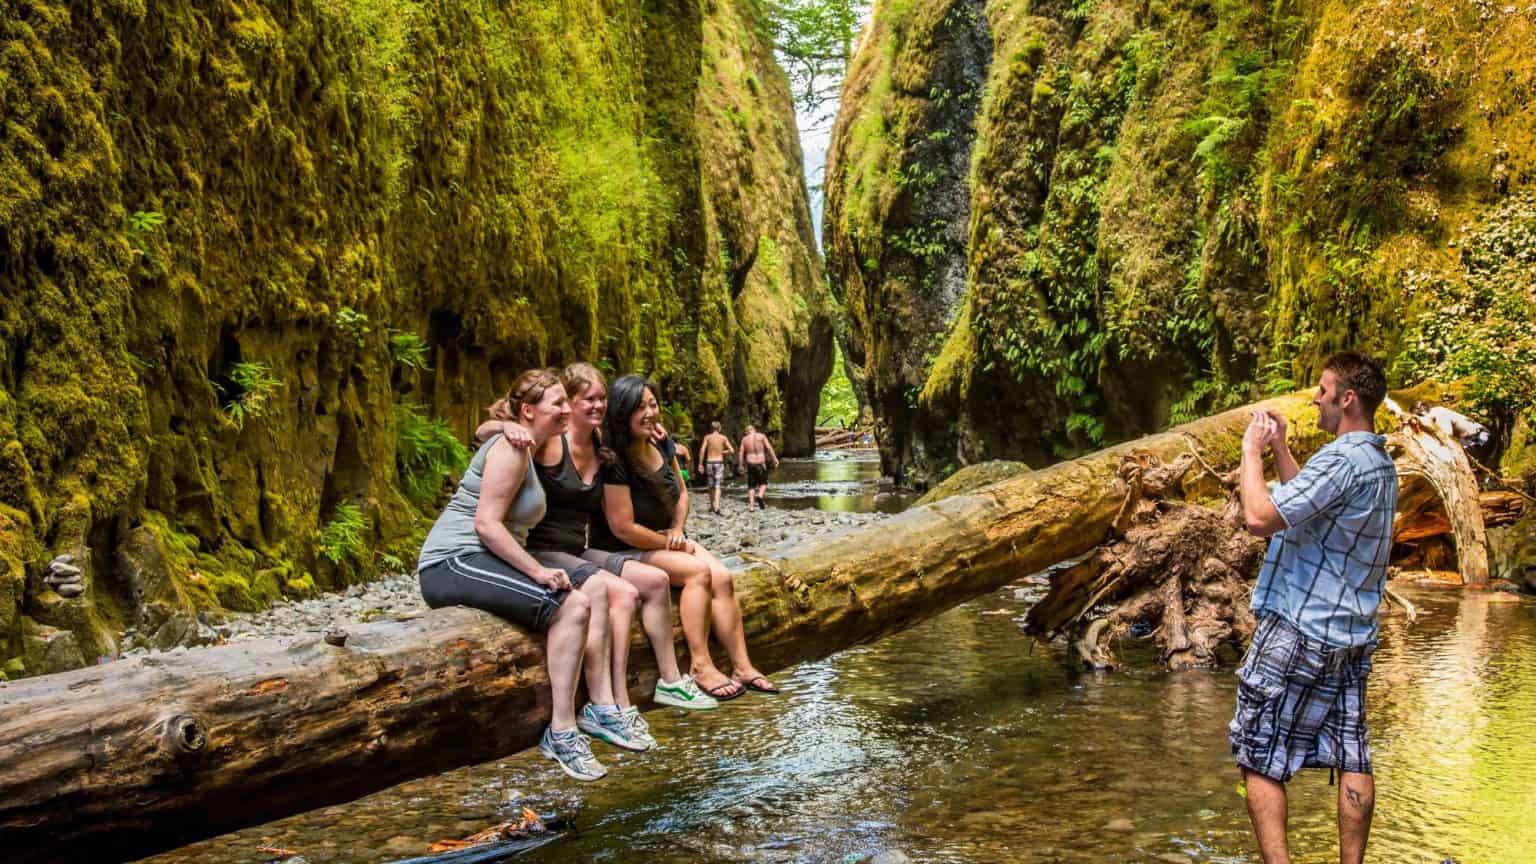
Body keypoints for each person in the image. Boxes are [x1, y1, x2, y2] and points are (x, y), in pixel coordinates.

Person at [478, 367, 722, 737]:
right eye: (588, 399)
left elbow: (638, 455)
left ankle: (671, 681)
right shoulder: (548, 441)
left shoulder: (602, 443)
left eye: (602, 398)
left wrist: (662, 440)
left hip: (579, 549)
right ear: (569, 404)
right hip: (541, 548)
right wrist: (502, 427)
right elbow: (484, 432)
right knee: (620, 592)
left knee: (655, 581)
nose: (598, 405)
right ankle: (616, 703)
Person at [1231, 351, 1399, 864]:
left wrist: (1252, 452)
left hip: (1299, 631)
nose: (1316, 398)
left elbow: (1261, 516)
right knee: (1352, 753)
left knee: (1258, 751)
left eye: (1323, 391)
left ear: (1348, 399)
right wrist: (1282, 446)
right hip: (1350, 636)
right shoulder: (1378, 464)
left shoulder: (1342, 460)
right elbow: (1306, 508)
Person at [416, 369, 611, 782]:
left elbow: (489, 424)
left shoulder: (533, 442)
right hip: (450, 561)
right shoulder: (512, 447)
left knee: (575, 600)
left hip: (475, 559)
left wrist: (501, 423)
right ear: (529, 410)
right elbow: (487, 524)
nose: (566, 410)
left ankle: (571, 725)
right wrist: (537, 571)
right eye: (557, 403)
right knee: (572, 605)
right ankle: (562, 731)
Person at [589, 375, 778, 700]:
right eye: (640, 407)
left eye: (653, 404)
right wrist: (669, 542)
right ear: (622, 412)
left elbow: (682, 492)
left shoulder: (661, 443)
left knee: (722, 576)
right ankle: (700, 665)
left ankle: (742, 665)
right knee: (698, 573)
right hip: (624, 548)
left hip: (668, 538)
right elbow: (622, 527)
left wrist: (678, 530)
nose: (650, 413)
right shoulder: (613, 460)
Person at [738, 423, 779, 512]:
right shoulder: (761, 436)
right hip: (761, 463)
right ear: (754, 429)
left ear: (746, 432)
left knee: (751, 486)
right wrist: (774, 459)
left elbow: (741, 453)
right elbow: (769, 448)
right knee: (763, 483)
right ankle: (760, 495)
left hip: (750, 463)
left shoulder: (744, 439)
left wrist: (740, 466)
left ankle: (751, 507)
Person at [698, 421, 734, 514]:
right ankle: (717, 506)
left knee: (711, 485)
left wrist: (700, 464)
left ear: (711, 428)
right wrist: (723, 452)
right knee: (717, 485)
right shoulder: (723, 438)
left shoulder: (707, 437)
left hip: (709, 462)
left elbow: (702, 450)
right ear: (719, 428)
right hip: (719, 462)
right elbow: (732, 450)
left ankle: (712, 505)